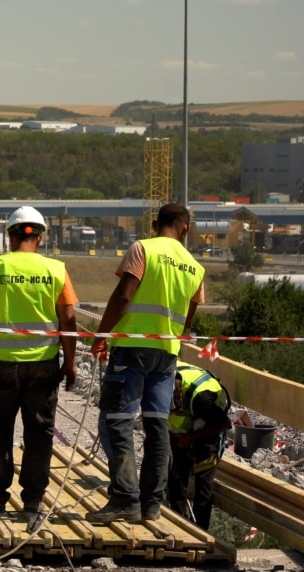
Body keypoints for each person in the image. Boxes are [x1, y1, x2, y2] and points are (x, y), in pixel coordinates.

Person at [87, 203, 205, 524]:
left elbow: (124, 296)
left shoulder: (143, 250)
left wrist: (101, 334)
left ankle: (125, 498)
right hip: (166, 355)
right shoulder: (195, 268)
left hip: (132, 349)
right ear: (185, 228)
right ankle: (151, 505)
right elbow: (188, 321)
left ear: (155, 224)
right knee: (157, 427)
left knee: (118, 421)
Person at [0, 206, 79, 519]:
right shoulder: (56, 269)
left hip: (2, 364)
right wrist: (69, 363)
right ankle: (32, 502)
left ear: (10, 235)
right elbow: (68, 318)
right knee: (39, 434)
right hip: (44, 366)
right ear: (41, 236)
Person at [167, 363, 232, 530]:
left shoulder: (202, 399)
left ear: (179, 396)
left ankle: (201, 531)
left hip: (208, 431)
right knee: (174, 477)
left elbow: (225, 424)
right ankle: (180, 525)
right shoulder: (159, 380)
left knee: (203, 486)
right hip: (182, 432)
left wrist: (190, 439)